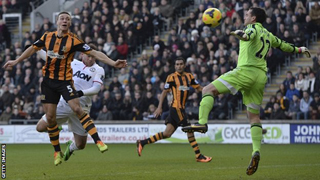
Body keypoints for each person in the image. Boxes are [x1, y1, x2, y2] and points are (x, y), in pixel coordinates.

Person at [182, 7, 311, 175]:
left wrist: (238, 33)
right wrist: (300, 49)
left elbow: (247, 35)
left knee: (207, 90)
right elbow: (284, 45)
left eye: (248, 14)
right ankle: (256, 151)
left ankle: (202, 122)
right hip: (261, 76)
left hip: (245, 72)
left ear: (254, 18)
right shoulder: (268, 34)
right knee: (253, 116)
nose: (245, 16)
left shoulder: (252, 28)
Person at [3, 12, 127, 166]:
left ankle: (79, 145)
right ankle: (58, 136)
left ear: (70, 24)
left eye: (68, 19)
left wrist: (113, 63)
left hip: (79, 103)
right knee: (41, 127)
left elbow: (96, 84)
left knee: (81, 144)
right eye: (62, 18)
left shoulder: (96, 67)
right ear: (57, 21)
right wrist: (18, 60)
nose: (65, 20)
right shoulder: (69, 58)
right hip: (62, 100)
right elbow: (39, 52)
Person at [35, 43, 105, 161]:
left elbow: (96, 89)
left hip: (82, 109)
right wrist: (35, 49)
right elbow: (50, 59)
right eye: (88, 55)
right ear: (82, 54)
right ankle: (58, 126)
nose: (91, 58)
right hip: (65, 104)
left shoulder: (98, 70)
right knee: (40, 127)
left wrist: (80, 93)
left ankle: (70, 147)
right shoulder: (73, 63)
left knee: (81, 145)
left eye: (93, 56)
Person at [136, 57, 212, 163]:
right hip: (176, 108)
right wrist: (159, 107)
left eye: (181, 64)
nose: (179, 66)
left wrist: (210, 90)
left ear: (184, 65)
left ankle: (142, 142)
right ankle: (198, 155)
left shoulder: (189, 76)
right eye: (177, 64)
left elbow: (199, 88)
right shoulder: (171, 77)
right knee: (189, 129)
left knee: (167, 134)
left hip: (179, 109)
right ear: (175, 66)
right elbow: (164, 92)